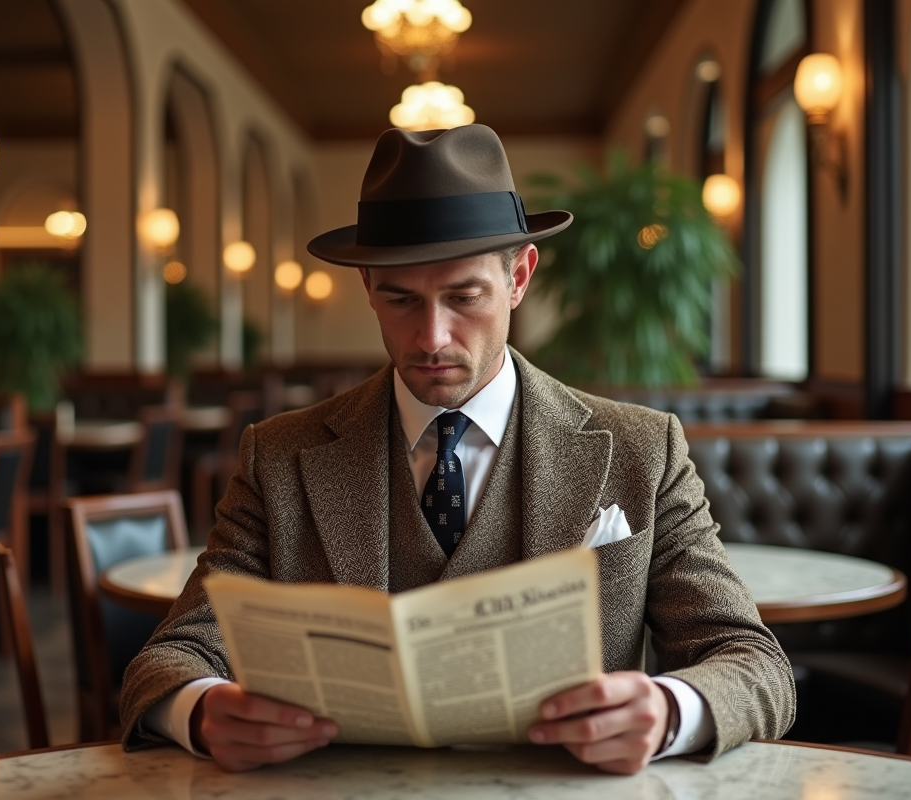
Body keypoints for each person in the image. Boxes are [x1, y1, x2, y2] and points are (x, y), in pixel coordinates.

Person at [119, 124, 794, 774]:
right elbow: (172, 655)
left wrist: (669, 710)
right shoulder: (279, 456)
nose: (432, 337)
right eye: (400, 299)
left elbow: (753, 661)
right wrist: (202, 712)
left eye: (464, 296)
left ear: (520, 277)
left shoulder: (641, 450)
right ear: (367, 290)